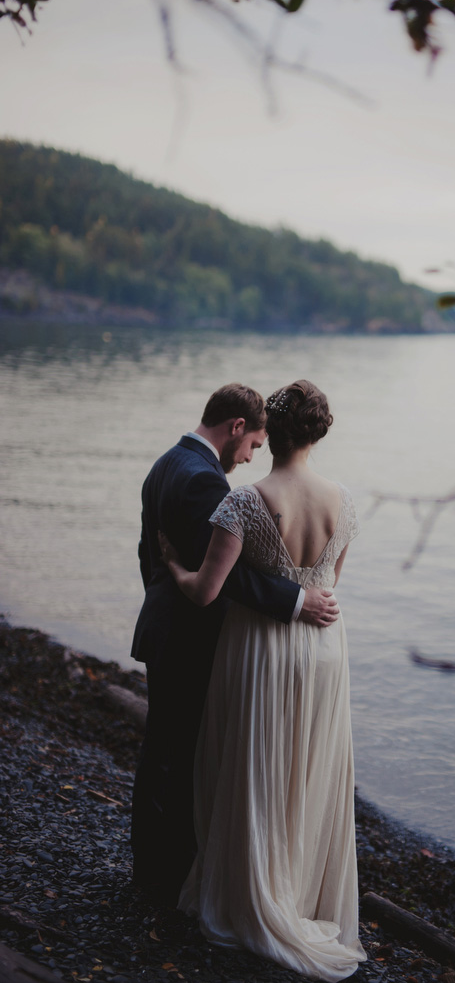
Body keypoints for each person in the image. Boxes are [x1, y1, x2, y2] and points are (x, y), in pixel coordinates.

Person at [160, 379, 366, 982]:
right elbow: (328, 586)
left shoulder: (244, 502)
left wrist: (173, 562)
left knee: (256, 770)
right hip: (325, 650)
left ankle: (255, 895)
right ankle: (301, 898)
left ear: (269, 431)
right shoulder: (345, 502)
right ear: (318, 432)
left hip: (261, 652)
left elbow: (204, 592)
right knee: (309, 773)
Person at [131, 383, 340, 907]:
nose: (249, 458)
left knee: (164, 752)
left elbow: (149, 553)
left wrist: (163, 596)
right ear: (237, 428)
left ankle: (155, 869)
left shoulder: (166, 463)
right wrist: (298, 600)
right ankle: (168, 876)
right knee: (181, 760)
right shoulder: (205, 482)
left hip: (167, 627)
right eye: (250, 446)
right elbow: (223, 578)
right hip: (191, 635)